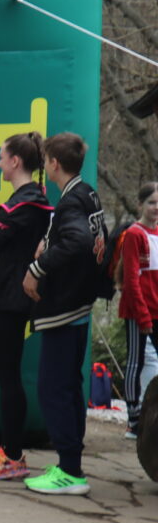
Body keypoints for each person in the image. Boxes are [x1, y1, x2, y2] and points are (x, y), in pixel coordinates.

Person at [21, 133, 104, 496]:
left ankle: (70, 471)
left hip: (65, 308)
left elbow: (78, 241)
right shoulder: (87, 193)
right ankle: (71, 464)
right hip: (80, 305)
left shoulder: (71, 202)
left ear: (53, 163)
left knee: (54, 389)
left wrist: (37, 267)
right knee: (69, 388)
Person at [0, 131, 51, 479]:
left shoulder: (22, 203)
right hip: (11, 295)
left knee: (9, 379)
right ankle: (7, 450)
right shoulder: (34, 199)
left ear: (16, 161)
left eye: (2, 157)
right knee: (8, 378)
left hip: (11, 299)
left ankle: (13, 457)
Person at [115, 183, 158, 439]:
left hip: (156, 309)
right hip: (137, 310)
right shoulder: (134, 234)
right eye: (151, 202)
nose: (156, 208)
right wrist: (142, 315)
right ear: (141, 203)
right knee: (135, 361)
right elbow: (131, 279)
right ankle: (133, 419)